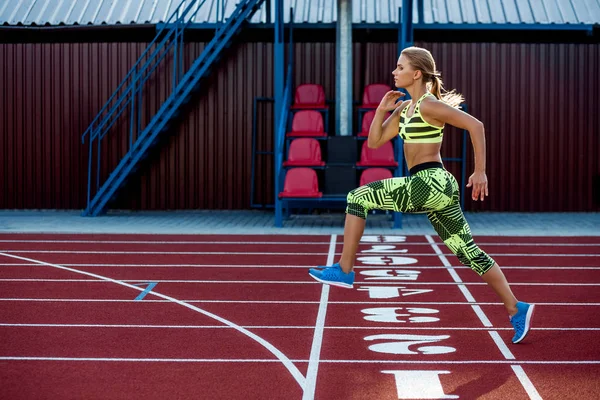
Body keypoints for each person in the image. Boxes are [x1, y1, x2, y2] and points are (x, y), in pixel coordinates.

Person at [308, 46, 534, 344]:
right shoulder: (404, 109)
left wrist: (480, 171)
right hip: (434, 188)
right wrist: (381, 110)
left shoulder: (428, 105)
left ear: (416, 73)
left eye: (400, 67)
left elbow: (475, 125)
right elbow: (374, 142)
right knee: (469, 253)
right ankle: (517, 307)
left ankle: (345, 270)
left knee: (357, 197)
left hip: (431, 182)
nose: (394, 72)